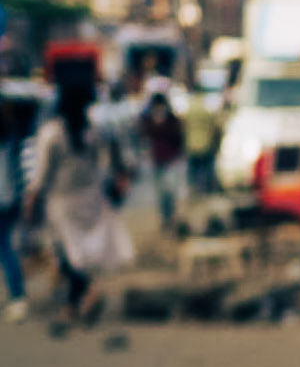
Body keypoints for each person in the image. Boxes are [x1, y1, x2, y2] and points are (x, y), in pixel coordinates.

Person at [26, 73, 134, 326]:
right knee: (76, 253)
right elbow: (105, 163)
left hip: (61, 202)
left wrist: (32, 199)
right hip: (90, 198)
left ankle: (86, 291)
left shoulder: (52, 133)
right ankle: (74, 306)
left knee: (65, 254)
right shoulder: (92, 131)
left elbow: (41, 173)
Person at [139, 89, 186, 228]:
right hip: (157, 161)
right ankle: (165, 219)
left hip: (170, 160)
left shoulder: (172, 120)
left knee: (170, 191)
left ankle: (170, 216)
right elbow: (144, 133)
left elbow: (178, 138)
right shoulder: (148, 121)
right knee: (160, 193)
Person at [0, 94, 28, 321]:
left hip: (4, 199)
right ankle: (17, 295)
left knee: (6, 249)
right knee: (8, 247)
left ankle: (18, 297)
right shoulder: (12, 136)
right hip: (11, 198)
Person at [181, 87, 223, 196]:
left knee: (193, 172)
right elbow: (215, 126)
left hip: (191, 145)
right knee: (206, 171)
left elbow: (183, 126)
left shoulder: (189, 108)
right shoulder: (207, 109)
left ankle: (193, 190)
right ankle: (206, 192)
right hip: (206, 144)